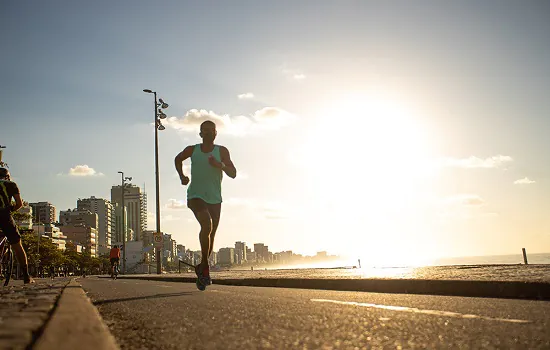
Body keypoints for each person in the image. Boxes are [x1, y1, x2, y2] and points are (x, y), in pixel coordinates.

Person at [174, 120, 237, 289]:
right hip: (195, 196)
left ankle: (201, 267)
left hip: (215, 199)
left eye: (211, 130)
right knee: (206, 225)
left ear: (216, 133)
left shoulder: (222, 151)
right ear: (200, 134)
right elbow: (177, 159)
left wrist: (220, 165)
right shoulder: (192, 150)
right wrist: (182, 176)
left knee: (211, 235)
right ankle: (205, 267)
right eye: (205, 130)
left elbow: (233, 173)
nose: (208, 132)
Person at [0, 168, 35, 284]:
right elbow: (19, 204)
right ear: (7, 176)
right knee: (17, 245)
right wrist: (11, 210)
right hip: (4, 216)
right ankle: (26, 276)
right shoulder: (11, 184)